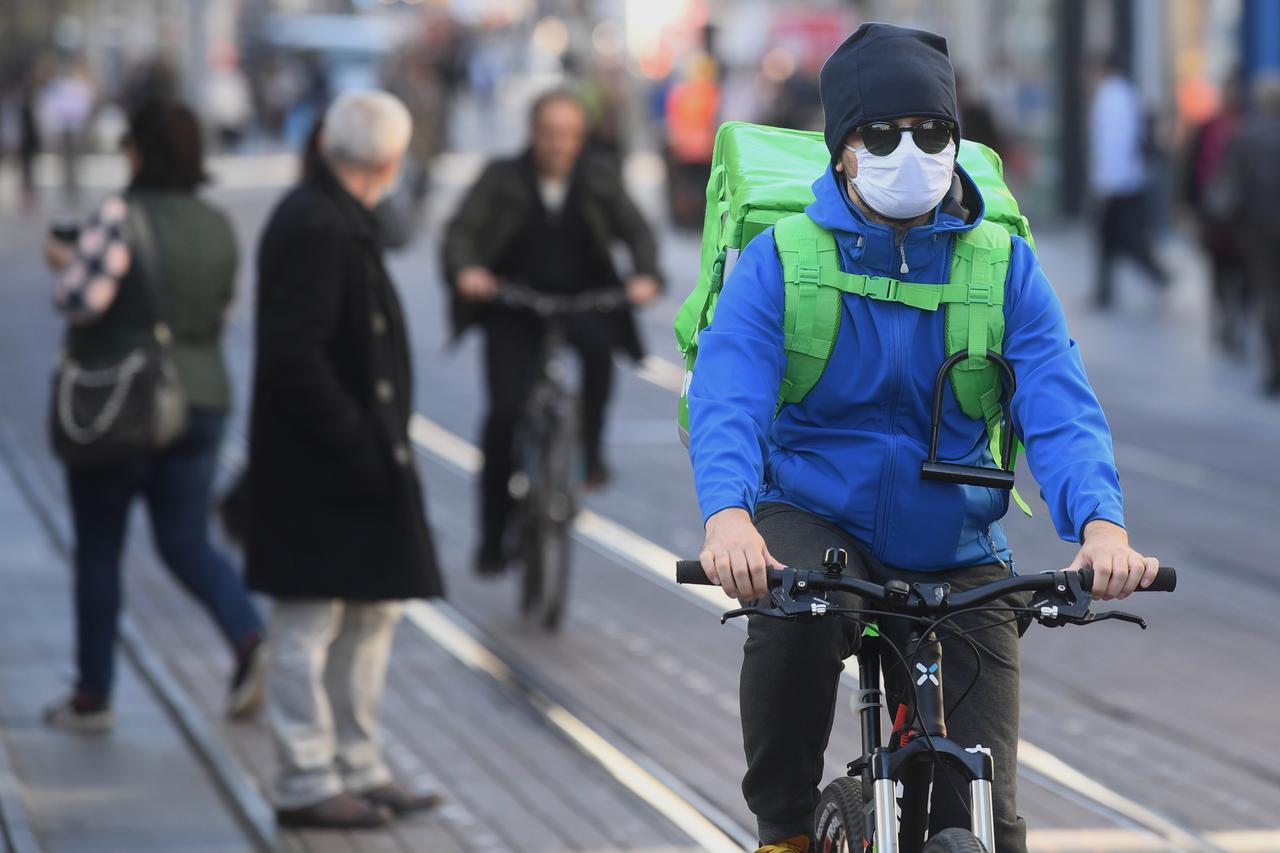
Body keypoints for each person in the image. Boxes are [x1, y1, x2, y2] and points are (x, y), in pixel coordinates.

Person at [686, 24, 1162, 853]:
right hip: (814, 511)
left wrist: (1102, 526)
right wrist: (728, 516)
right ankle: (785, 830)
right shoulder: (780, 260)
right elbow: (729, 398)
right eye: (882, 134)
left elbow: (1059, 404)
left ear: (956, 140)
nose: (911, 150)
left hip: (953, 536)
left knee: (986, 816)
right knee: (793, 623)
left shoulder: (1002, 265)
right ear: (842, 152)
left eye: (933, 132)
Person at [247, 90, 443, 829]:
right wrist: (356, 435)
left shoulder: (333, 216)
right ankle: (305, 778)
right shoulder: (315, 224)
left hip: (353, 464)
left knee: (370, 612)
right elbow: (294, 356)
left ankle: (357, 764)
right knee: (307, 622)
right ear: (391, 161)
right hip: (321, 467)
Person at [42, 101, 266, 733]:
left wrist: (64, 262)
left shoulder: (120, 214)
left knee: (99, 551)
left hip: (121, 401)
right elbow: (219, 315)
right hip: (201, 400)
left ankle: (93, 696)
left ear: (137, 152)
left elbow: (81, 300)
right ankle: (249, 634)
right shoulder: (218, 225)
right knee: (186, 539)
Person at [441, 89, 662, 576]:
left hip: (581, 300)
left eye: (568, 136)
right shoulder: (502, 178)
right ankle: (492, 536)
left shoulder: (599, 177)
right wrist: (467, 271)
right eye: (549, 135)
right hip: (514, 305)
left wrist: (645, 274)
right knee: (502, 415)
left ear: (580, 138)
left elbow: (638, 230)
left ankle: (591, 450)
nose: (558, 146)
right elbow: (461, 231)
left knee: (601, 358)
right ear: (532, 133)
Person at [1089, 54, 1168, 308]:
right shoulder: (1123, 94)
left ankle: (1154, 275)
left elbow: (1113, 143)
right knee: (1114, 238)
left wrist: (1107, 183)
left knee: (1118, 237)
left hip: (1117, 184)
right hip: (1125, 181)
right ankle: (1106, 291)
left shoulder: (1110, 98)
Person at [1218, 73, 1280, 397]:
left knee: (1269, 295)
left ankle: (1274, 366)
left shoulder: (1246, 135)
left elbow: (1229, 188)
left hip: (1258, 229)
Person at [1183, 74, 1248, 355]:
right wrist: (1188, 205)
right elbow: (1190, 169)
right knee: (1220, 271)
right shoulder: (1208, 127)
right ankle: (1225, 321)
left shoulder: (1244, 127)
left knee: (1240, 274)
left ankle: (1232, 322)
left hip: (1238, 218)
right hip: (1217, 216)